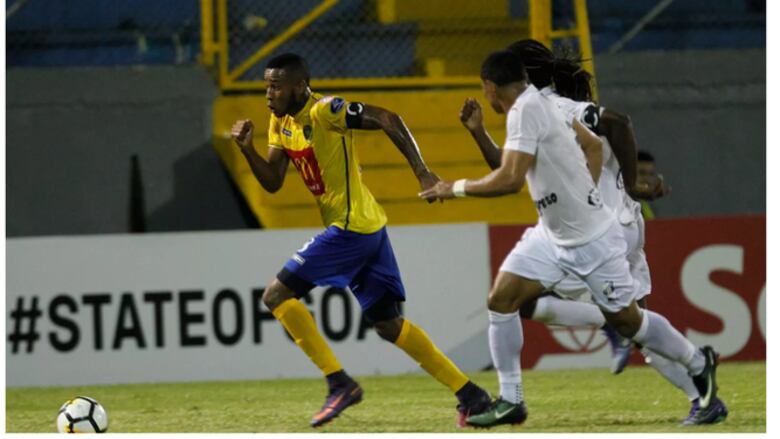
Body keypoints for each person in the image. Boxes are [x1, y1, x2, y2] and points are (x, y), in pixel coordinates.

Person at [419, 50, 724, 428]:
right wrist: (582, 190)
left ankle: (698, 362)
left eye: (485, 92)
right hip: (552, 233)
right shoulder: (532, 106)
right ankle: (511, 399)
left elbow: (512, 180)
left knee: (629, 322)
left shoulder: (530, 109)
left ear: (490, 87)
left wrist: (453, 187)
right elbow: (569, 152)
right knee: (503, 300)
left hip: (593, 239)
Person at [230, 53, 490, 428]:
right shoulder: (280, 122)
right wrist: (247, 150)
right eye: (266, 86)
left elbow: (389, 118)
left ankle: (339, 384)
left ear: (299, 86)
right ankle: (471, 395)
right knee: (388, 324)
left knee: (275, 295)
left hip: (350, 229)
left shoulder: (325, 111)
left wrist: (423, 173)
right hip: (367, 227)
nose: (268, 93)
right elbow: (272, 181)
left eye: (276, 86)